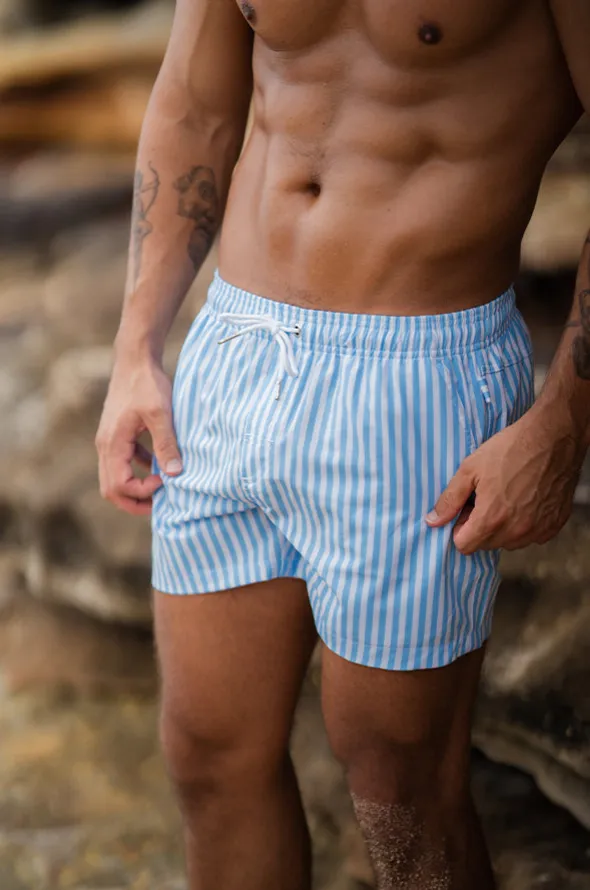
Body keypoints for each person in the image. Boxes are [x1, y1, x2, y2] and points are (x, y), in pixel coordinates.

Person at [95, 1, 590, 887]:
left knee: (402, 792)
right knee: (207, 753)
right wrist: (136, 350)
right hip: (236, 348)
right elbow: (194, 105)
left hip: (418, 379)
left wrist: (563, 424)